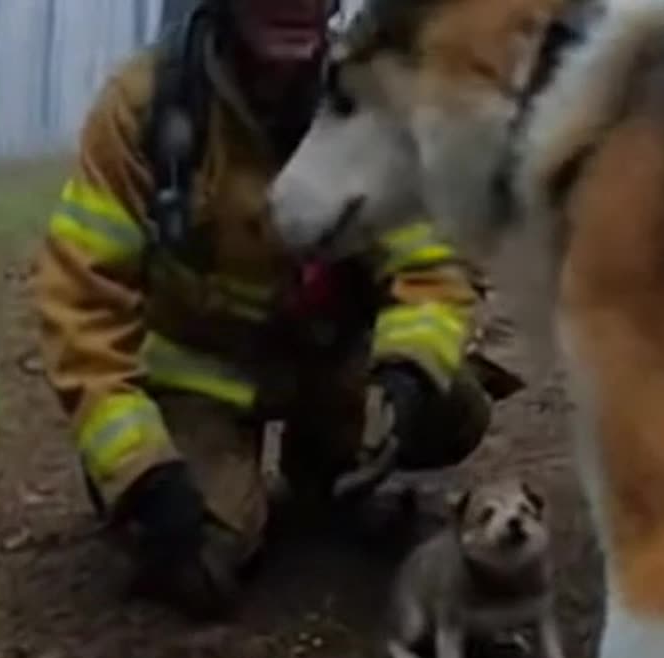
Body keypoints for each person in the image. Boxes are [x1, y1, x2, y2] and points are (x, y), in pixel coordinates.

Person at [32, 0, 513, 622]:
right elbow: (81, 303)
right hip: (200, 380)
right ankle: (161, 482)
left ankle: (330, 470)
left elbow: (427, 261)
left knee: (449, 406)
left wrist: (409, 369)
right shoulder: (143, 108)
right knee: (203, 559)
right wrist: (139, 470)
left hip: (325, 363)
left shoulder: (368, 98)